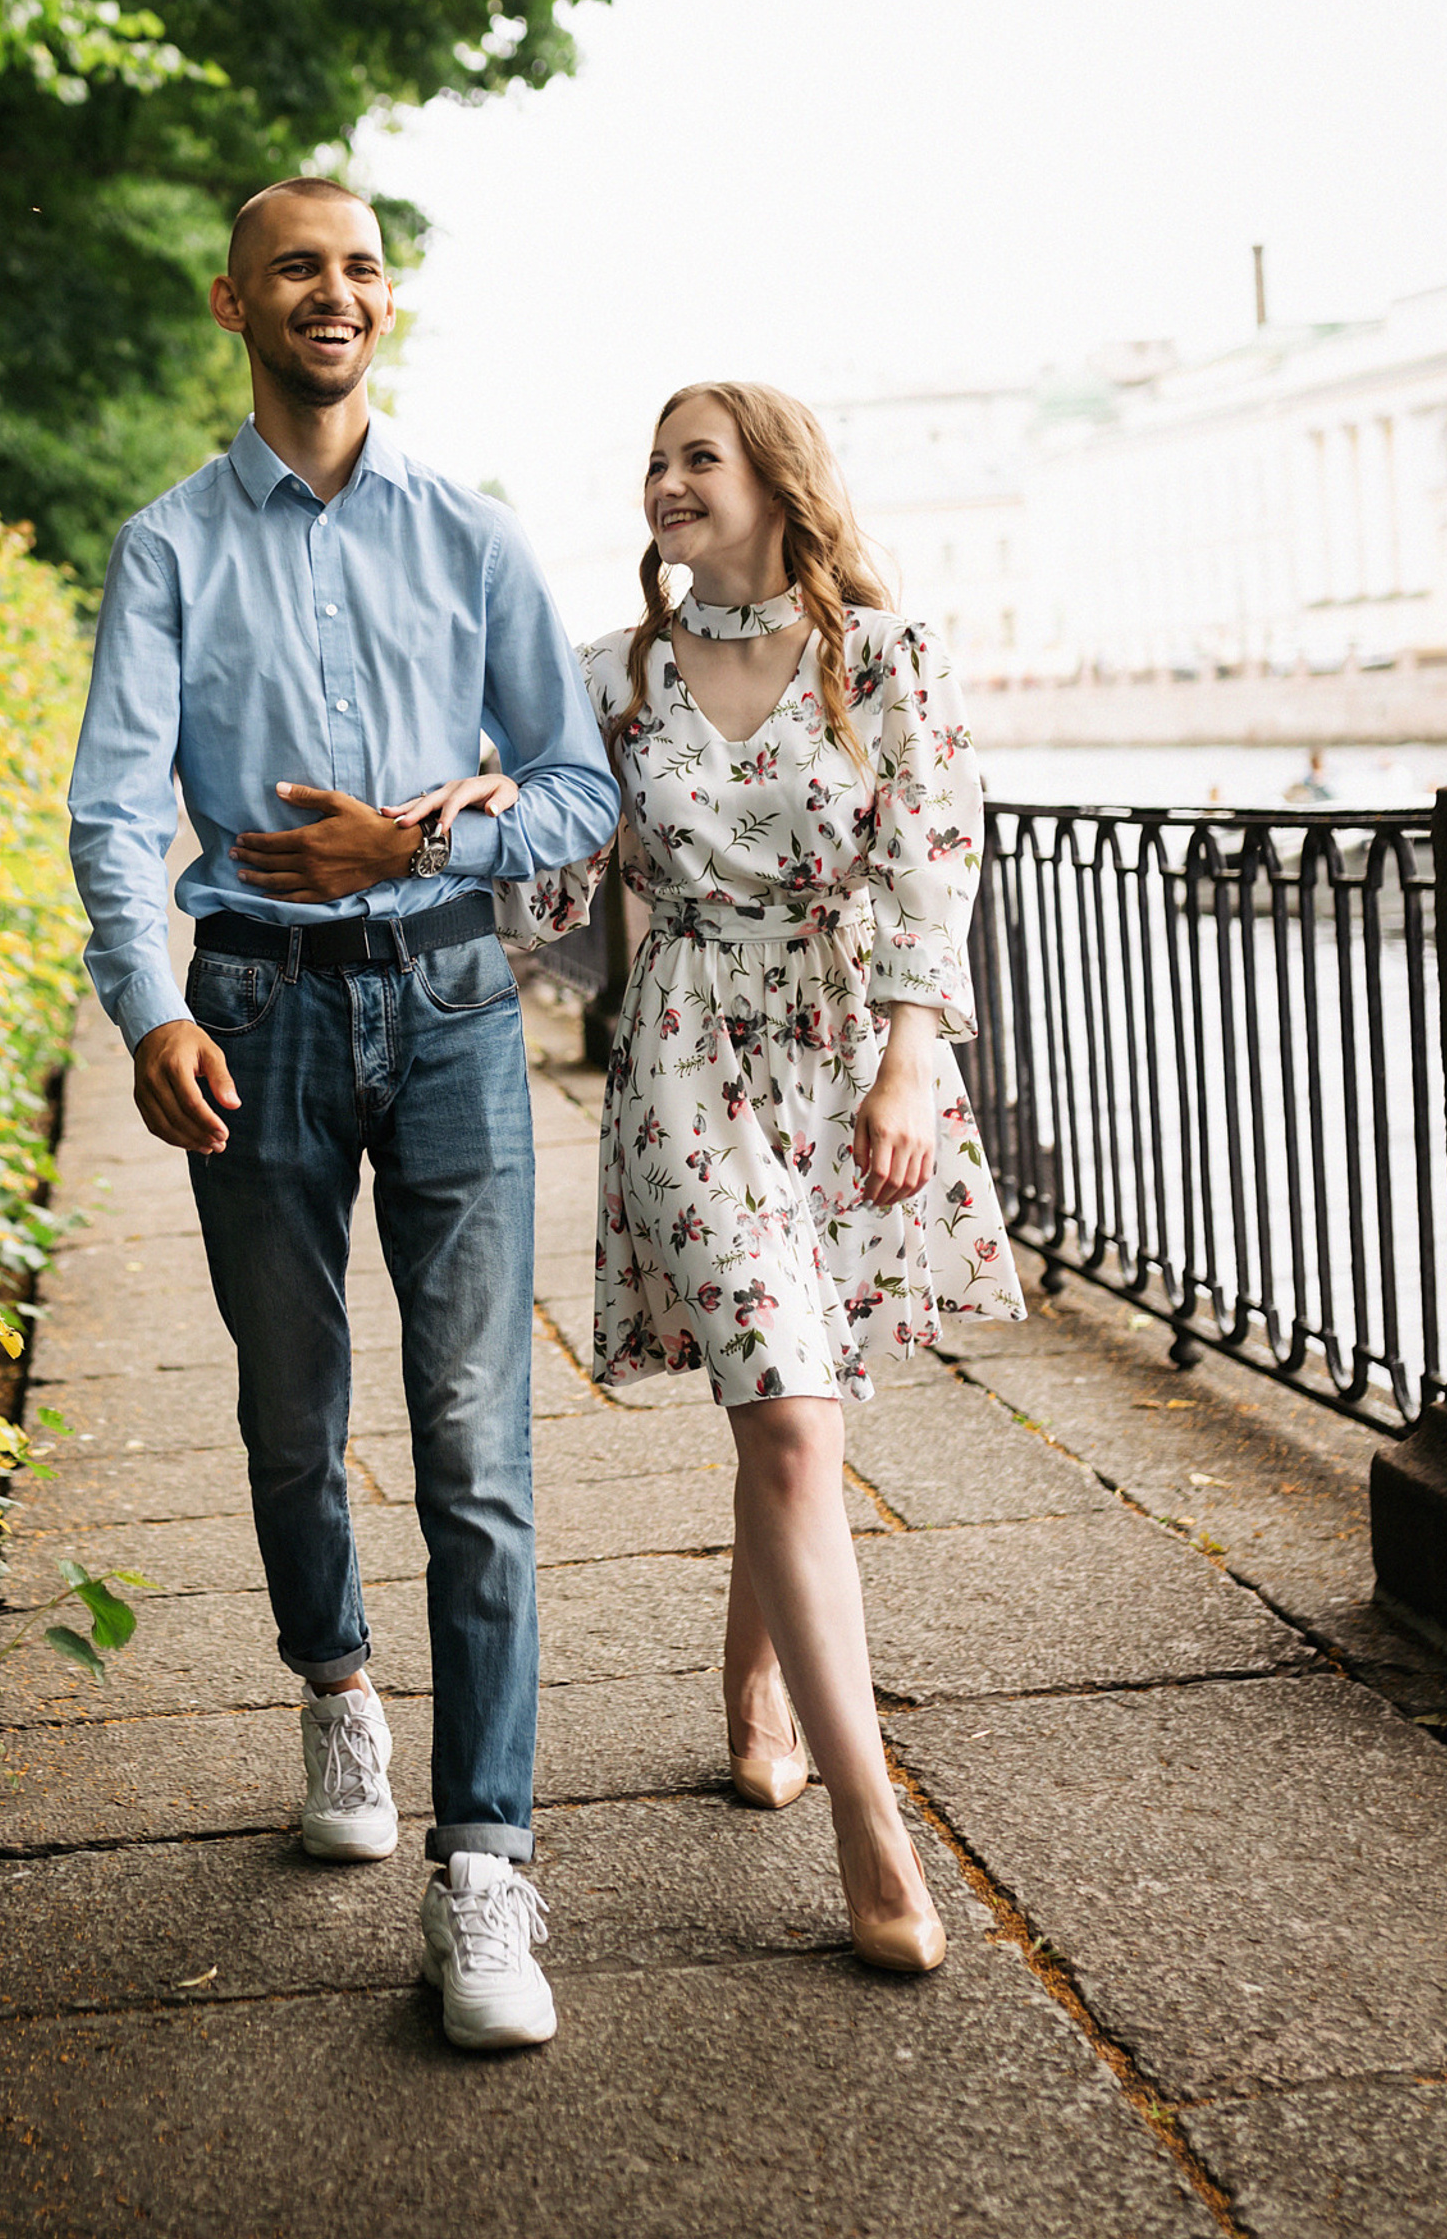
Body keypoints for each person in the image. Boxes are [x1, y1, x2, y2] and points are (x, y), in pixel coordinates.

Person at [66, 178, 618, 2049]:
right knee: (292, 1407)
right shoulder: (167, 549)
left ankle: (487, 1867)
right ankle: (336, 1685)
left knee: (474, 1440)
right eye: (299, 266)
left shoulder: (474, 532)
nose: (336, 291)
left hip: (453, 1006)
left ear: (389, 304)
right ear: (237, 303)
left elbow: (577, 786)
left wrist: (423, 841)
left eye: (363, 267)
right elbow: (114, 810)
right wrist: (149, 1007)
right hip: (252, 1017)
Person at [403, 381, 1025, 1972]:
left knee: (792, 1401)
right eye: (656, 461)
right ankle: (875, 1830)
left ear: (776, 481)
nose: (667, 482)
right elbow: (558, 894)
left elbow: (933, 864)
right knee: (793, 1416)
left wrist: (908, 1064)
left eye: (700, 458)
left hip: (848, 1051)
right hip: (685, 1053)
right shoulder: (612, 679)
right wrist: (499, 806)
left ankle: (758, 1678)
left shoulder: (882, 656)